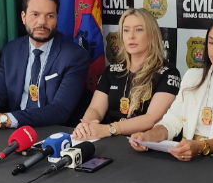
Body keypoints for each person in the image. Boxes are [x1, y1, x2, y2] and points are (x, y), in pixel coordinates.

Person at [129, 13, 213, 161]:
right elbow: (173, 118)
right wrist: (149, 135)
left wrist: (201, 146)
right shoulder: (192, 75)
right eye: (211, 42)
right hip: (189, 158)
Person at [0, 0, 89, 130]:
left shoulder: (75, 56)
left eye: (50, 16)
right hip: (15, 131)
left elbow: (60, 111)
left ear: (56, 18)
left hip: (54, 131)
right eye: (35, 15)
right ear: (23, 17)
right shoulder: (11, 49)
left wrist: (3, 119)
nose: (42, 22)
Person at [73, 8, 180, 140]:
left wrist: (110, 129)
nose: (131, 36)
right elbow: (95, 109)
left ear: (152, 34)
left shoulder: (168, 73)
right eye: (126, 30)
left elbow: (151, 118)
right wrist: (86, 125)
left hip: (143, 143)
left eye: (139, 30)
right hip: (109, 140)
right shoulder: (111, 71)